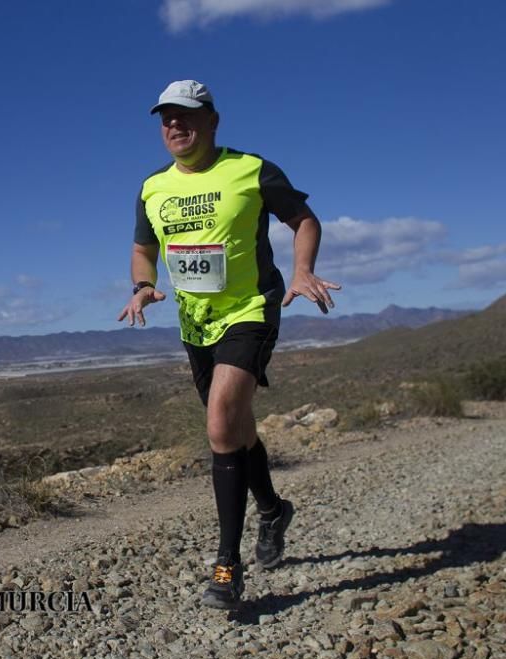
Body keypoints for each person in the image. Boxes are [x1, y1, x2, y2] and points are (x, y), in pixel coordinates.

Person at [118, 80, 340, 609]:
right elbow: (142, 247)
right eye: (166, 118)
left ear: (212, 121)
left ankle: (227, 565)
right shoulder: (153, 187)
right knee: (236, 430)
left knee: (220, 422)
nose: (175, 125)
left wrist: (303, 269)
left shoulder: (251, 169)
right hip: (197, 323)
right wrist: (142, 285)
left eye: (187, 116)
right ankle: (272, 510)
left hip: (251, 309)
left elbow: (303, 218)